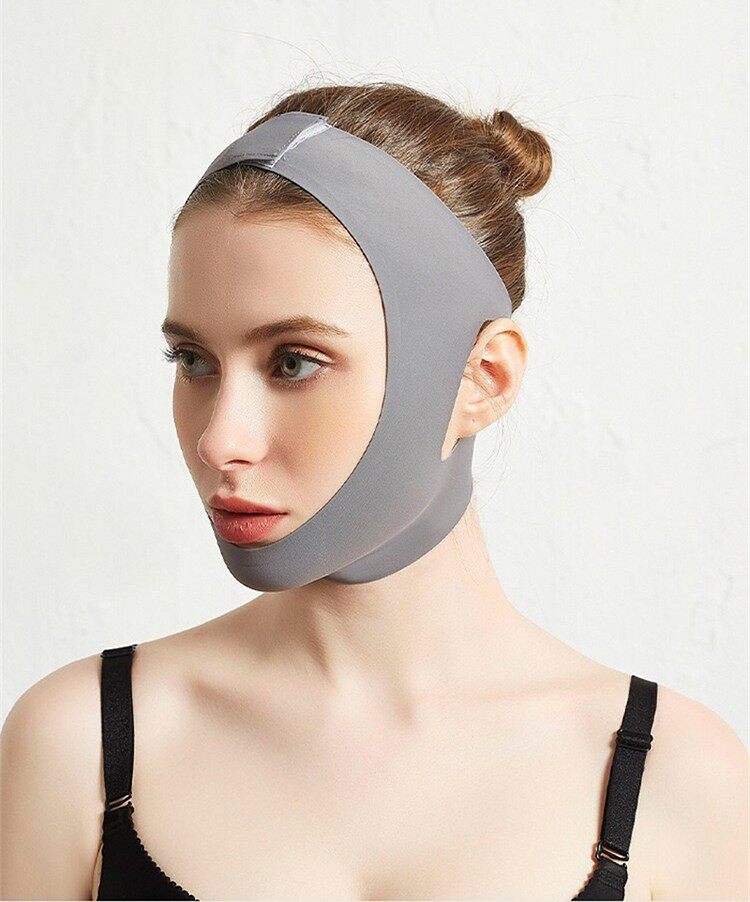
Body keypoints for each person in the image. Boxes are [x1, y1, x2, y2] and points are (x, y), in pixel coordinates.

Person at [1, 82, 747, 902]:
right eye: (194, 361)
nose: (219, 440)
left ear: (483, 379)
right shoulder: (78, 746)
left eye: (294, 362)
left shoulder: (678, 779)